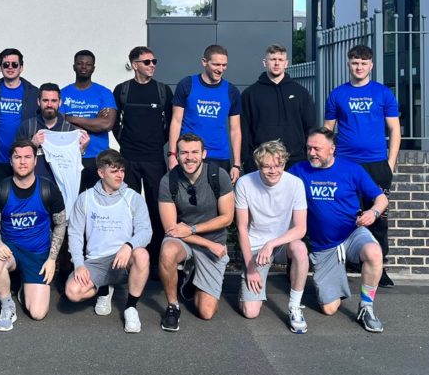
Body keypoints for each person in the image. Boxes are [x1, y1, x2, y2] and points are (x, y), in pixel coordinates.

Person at [290, 128, 388, 333]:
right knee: (329, 309)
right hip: (324, 246)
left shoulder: (352, 169)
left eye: (317, 148)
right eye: (309, 148)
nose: (312, 153)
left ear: (332, 149)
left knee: (374, 252)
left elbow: (381, 198)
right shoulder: (299, 171)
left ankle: (366, 307)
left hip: (352, 234)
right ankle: (337, 275)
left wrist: (373, 213)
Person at [323, 44, 401, 287]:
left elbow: (394, 130)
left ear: (371, 66)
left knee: (378, 216)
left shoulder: (383, 94)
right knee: (345, 214)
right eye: (355, 62)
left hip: (376, 164)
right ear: (349, 64)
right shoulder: (337, 94)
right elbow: (327, 130)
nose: (359, 67)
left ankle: (380, 267)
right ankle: (343, 263)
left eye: (364, 63)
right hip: (345, 164)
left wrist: (390, 163)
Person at [65, 149, 152, 333]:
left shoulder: (133, 198)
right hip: (96, 261)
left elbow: (146, 231)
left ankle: (130, 308)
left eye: (121, 170)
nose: (120, 175)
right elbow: (74, 234)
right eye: (114, 171)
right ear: (101, 173)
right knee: (72, 292)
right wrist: (79, 264)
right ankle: (104, 288)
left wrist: (129, 246)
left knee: (142, 255)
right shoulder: (85, 199)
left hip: (123, 259)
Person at [0, 139, 67, 331]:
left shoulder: (48, 188)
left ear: (34, 161)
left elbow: (60, 224)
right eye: (18, 157)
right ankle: (7, 305)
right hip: (11, 250)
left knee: (38, 313)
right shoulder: (0, 189)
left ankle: (23, 288)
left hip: (38, 253)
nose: (23, 162)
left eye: (27, 157)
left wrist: (52, 259)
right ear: (11, 161)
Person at [157, 133, 234, 331]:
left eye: (194, 152)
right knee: (167, 251)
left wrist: (192, 229)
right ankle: (173, 307)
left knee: (206, 312)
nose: (189, 157)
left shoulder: (218, 176)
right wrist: (207, 243)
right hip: (184, 240)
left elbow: (227, 218)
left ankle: (190, 279)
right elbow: (171, 229)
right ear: (177, 154)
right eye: (184, 153)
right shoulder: (169, 180)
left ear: (203, 154)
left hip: (210, 240)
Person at [235, 140, 310, 333]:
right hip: (256, 246)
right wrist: (251, 267)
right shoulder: (245, 183)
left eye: (278, 165)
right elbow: (242, 228)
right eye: (267, 166)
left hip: (283, 243)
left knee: (300, 249)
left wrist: (272, 243)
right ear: (259, 165)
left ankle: (294, 306)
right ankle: (249, 288)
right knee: (250, 312)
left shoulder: (295, 184)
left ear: (284, 163)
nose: (274, 171)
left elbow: (301, 229)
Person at [113, 45, 172, 262]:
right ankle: (129, 257)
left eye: (154, 61)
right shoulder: (122, 89)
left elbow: (171, 124)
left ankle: (156, 258)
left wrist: (158, 142)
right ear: (135, 65)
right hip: (128, 158)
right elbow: (114, 122)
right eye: (147, 62)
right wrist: (126, 142)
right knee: (127, 208)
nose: (152, 66)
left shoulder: (163, 90)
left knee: (157, 208)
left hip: (155, 158)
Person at [168, 44, 243, 184]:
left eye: (224, 65)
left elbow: (235, 130)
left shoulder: (231, 91)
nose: (220, 69)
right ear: (204, 62)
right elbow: (176, 121)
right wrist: (172, 154)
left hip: (219, 156)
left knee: (218, 203)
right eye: (216, 64)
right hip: (190, 155)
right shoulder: (187, 84)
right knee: (185, 201)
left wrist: (236, 164)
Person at [240, 44, 316, 174]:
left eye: (280, 60)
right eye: (272, 59)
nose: (276, 63)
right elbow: (244, 130)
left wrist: (308, 155)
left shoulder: (300, 93)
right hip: (261, 161)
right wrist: (246, 159)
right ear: (265, 62)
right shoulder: (250, 94)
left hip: (296, 161)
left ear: (286, 63)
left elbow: (310, 127)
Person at [0, 48, 41, 192]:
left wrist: (34, 144)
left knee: (22, 203)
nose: (10, 67)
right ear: (0, 67)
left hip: (24, 161)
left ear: (21, 68)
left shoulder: (33, 93)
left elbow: (42, 121)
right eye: (6, 64)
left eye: (14, 64)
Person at [60, 50, 117, 191]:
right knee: (72, 202)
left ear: (93, 68)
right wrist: (95, 121)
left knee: (99, 202)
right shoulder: (63, 93)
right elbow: (59, 124)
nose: (84, 67)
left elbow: (107, 124)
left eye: (88, 64)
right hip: (71, 157)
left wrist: (70, 118)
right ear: (74, 66)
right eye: (80, 64)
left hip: (98, 158)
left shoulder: (104, 93)